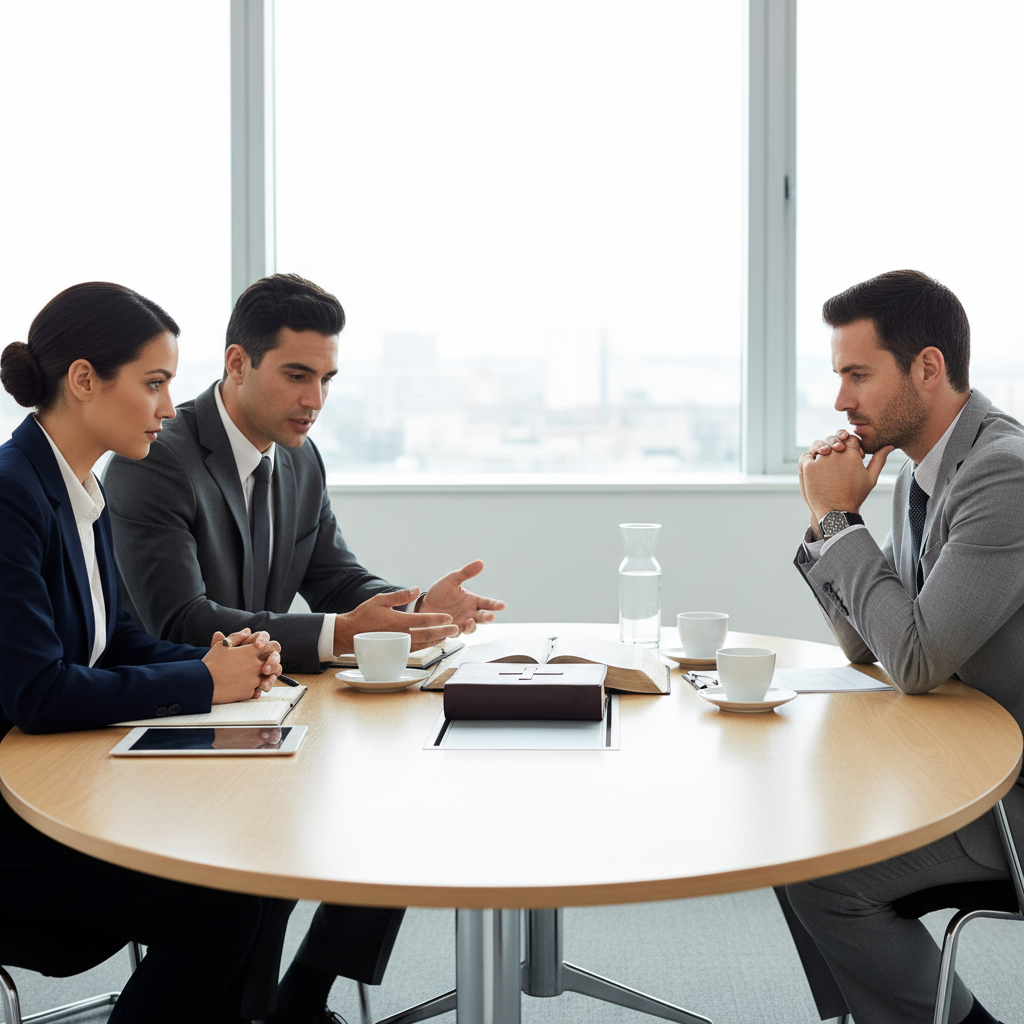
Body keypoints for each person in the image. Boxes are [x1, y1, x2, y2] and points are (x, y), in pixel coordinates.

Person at [103, 272, 506, 1024]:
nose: (314, 399)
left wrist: (417, 608)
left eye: (325, 379)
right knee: (289, 823)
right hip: (164, 717)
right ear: (235, 365)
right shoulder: (158, 454)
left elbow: (335, 577)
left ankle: (303, 995)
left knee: (411, 789)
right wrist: (346, 633)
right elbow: (178, 622)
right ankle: (242, 1007)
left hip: (263, 705)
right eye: (296, 375)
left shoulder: (301, 459)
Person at [0, 281, 285, 1024]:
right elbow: (40, 693)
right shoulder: (11, 496)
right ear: (85, 380)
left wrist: (226, 663)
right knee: (220, 906)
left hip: (62, 784)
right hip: (13, 821)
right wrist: (200, 680)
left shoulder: (78, 490)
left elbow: (115, 639)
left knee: (251, 871)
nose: (168, 406)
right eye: (154, 383)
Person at [785, 269, 1024, 1024]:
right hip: (963, 759)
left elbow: (915, 663)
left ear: (927, 366)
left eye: (858, 374)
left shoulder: (1002, 476)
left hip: (1012, 791)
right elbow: (868, 642)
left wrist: (835, 526)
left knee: (820, 877)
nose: (840, 401)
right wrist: (830, 525)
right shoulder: (919, 475)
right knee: (801, 828)